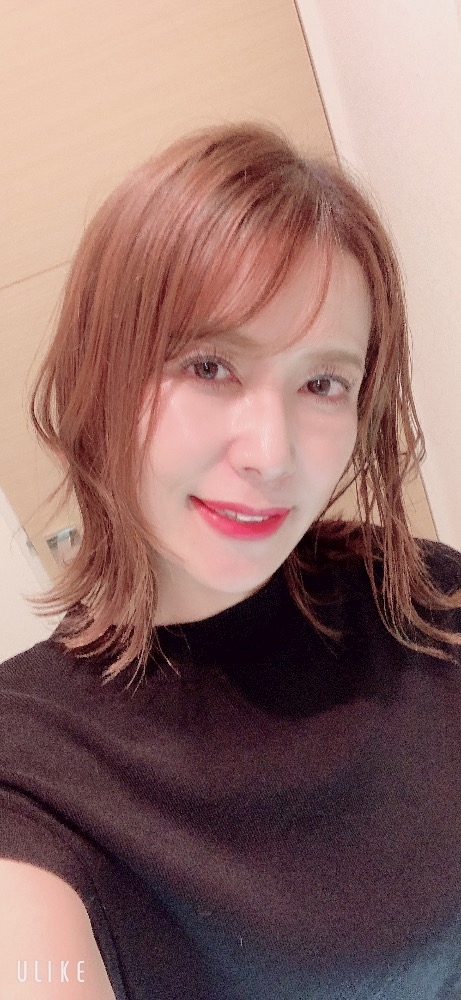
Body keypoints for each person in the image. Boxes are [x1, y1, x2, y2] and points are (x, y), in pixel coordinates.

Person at [1, 121, 461, 1000]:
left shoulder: (423, 599)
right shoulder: (32, 770)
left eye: (322, 382)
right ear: (103, 372)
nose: (270, 452)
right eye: (210, 365)